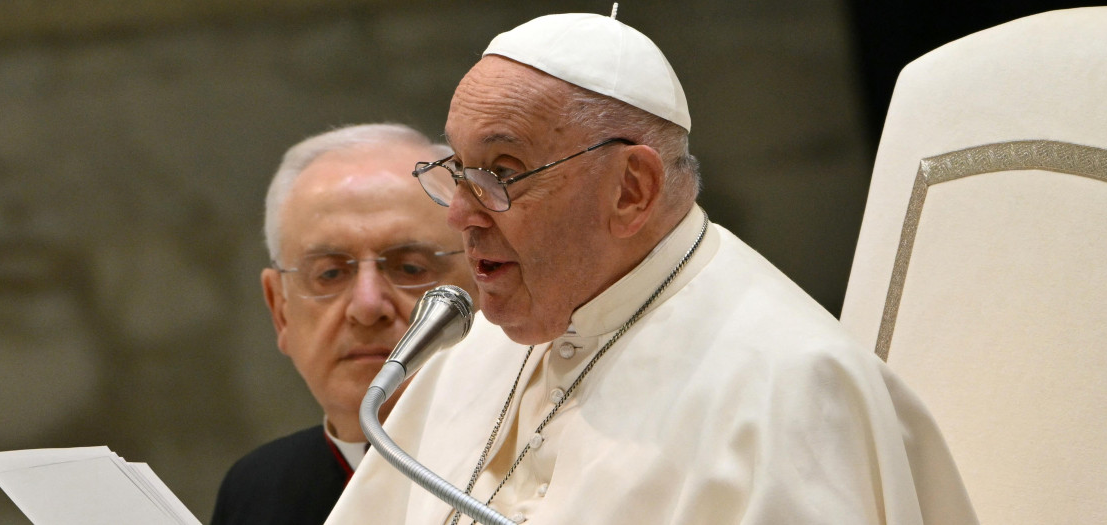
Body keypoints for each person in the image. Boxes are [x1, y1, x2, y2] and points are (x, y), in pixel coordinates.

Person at [327, 13, 979, 525]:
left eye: (502, 173)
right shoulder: (474, 353)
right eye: (457, 172)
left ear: (631, 189)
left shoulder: (791, 388)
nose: (460, 216)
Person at [210, 123, 477, 525]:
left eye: (409, 267)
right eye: (330, 274)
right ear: (279, 310)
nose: (368, 307)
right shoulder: (258, 490)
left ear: (487, 282)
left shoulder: (537, 461)